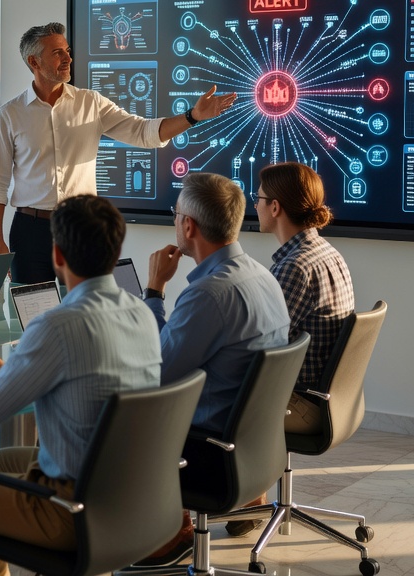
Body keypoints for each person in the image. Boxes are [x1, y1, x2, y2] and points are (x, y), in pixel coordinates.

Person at [0, 195, 161, 576]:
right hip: (131, 494)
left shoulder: (56, 325)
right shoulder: (141, 313)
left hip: (70, 508)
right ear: (116, 250)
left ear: (57, 255)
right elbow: (85, 374)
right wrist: (12, 372)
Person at [0, 22, 237, 284]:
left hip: (81, 227)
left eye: (67, 51)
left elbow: (143, 132)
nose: (68, 58)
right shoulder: (9, 115)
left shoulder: (91, 103)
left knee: (85, 304)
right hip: (30, 232)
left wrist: (192, 116)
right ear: (34, 62)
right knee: (30, 307)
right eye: (57, 53)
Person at [143, 172, 291, 555]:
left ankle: (170, 533)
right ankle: (249, 499)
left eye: (176, 214)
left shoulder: (209, 294)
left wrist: (155, 290)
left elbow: (157, 375)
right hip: (256, 446)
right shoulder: (263, 275)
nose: (175, 220)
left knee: (117, 409)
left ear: (188, 226)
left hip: (210, 452)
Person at [254, 162, 355, 433]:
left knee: (200, 405)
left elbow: (260, 347)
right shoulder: (327, 252)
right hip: (328, 400)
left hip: (299, 401)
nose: (255, 205)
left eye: (258, 198)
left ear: (275, 207)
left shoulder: (295, 267)